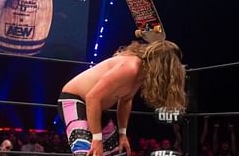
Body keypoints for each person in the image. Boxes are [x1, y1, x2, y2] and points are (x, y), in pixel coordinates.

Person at [58, 40, 186, 156]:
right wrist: (97, 139)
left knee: (114, 151)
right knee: (88, 153)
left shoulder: (142, 72)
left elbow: (126, 100)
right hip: (76, 101)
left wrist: (122, 133)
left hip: (97, 108)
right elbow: (92, 97)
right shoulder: (130, 68)